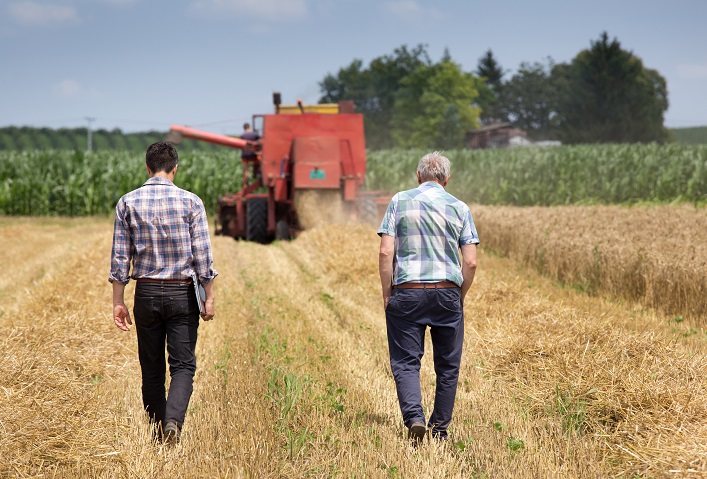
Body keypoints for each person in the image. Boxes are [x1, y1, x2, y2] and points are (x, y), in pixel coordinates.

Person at [109, 141, 217, 445]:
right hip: (181, 293)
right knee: (182, 365)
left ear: (147, 167)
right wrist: (209, 296)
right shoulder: (191, 202)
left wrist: (118, 302)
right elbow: (203, 257)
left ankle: (158, 435)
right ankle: (173, 422)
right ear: (175, 168)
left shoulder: (127, 203)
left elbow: (120, 258)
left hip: (145, 294)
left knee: (152, 366)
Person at [378, 151, 479, 445]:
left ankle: (415, 418)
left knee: (406, 362)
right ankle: (440, 429)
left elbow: (386, 252)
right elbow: (470, 262)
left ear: (418, 176)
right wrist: (457, 296)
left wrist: (388, 293)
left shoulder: (399, 200)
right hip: (447, 292)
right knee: (447, 365)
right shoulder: (460, 207)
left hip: (407, 292)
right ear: (447, 179)